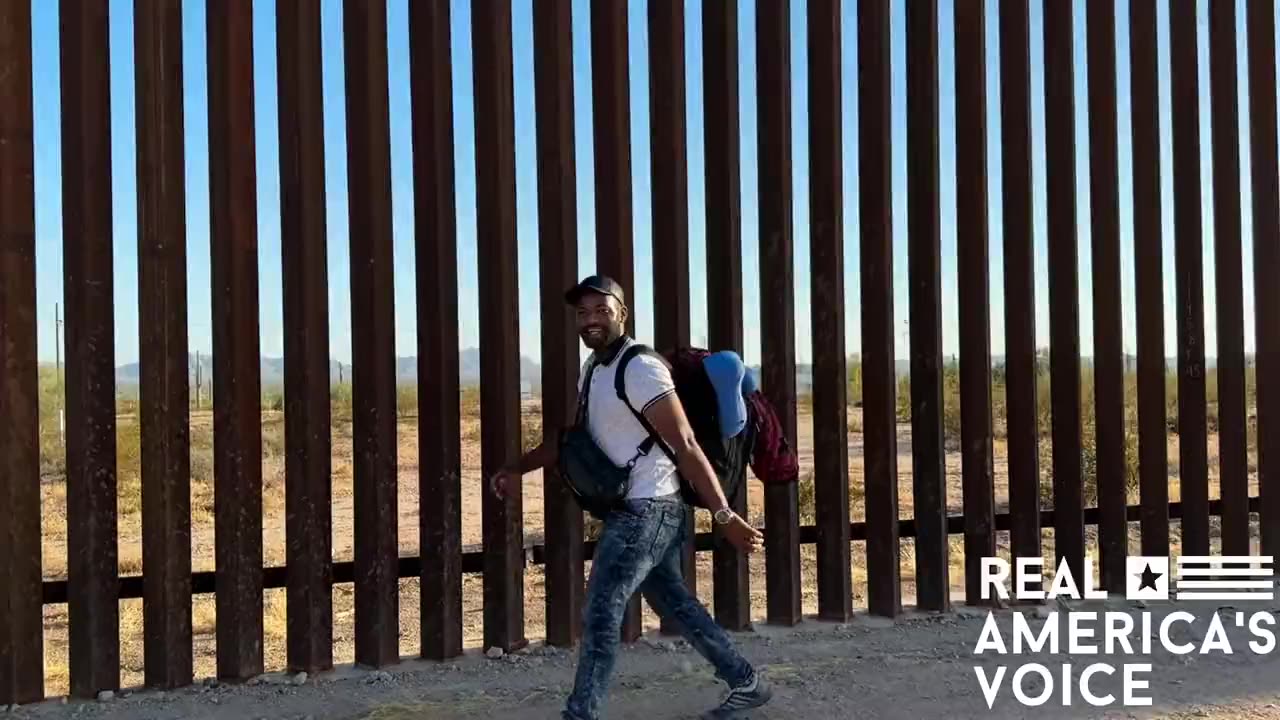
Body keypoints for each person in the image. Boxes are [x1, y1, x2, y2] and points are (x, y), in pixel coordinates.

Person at [489, 275, 773, 720]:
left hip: (647, 509)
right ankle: (746, 681)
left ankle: (581, 714)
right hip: (641, 509)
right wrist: (516, 468)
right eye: (583, 313)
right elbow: (574, 440)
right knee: (674, 603)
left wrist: (724, 515)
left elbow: (686, 444)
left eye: (601, 310)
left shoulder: (640, 368)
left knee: (602, 611)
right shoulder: (595, 369)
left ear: (622, 313)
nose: (590, 320)